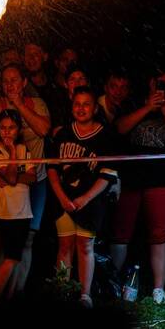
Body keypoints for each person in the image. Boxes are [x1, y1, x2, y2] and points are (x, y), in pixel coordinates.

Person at [110, 71, 165, 303]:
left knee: (159, 233)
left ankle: (158, 289)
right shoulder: (133, 102)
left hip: (160, 178)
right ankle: (113, 282)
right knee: (121, 232)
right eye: (162, 83)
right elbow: (120, 128)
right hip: (132, 176)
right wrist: (147, 108)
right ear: (152, 82)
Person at [48, 87, 118, 308]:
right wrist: (61, 196)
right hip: (64, 198)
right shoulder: (63, 134)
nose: (81, 108)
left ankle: (85, 295)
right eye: (77, 104)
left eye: (86, 104)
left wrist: (86, 198)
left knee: (85, 246)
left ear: (95, 108)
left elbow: (107, 175)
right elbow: (52, 168)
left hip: (91, 201)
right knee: (64, 245)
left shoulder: (106, 136)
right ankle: (62, 292)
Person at [0, 109, 36, 303]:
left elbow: (32, 177)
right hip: (6, 212)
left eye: (11, 128)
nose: (7, 132)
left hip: (24, 211)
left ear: (18, 130)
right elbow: (12, 177)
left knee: (14, 257)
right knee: (10, 257)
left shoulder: (25, 149)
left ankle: (7, 299)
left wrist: (13, 178)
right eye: (3, 128)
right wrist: (13, 155)